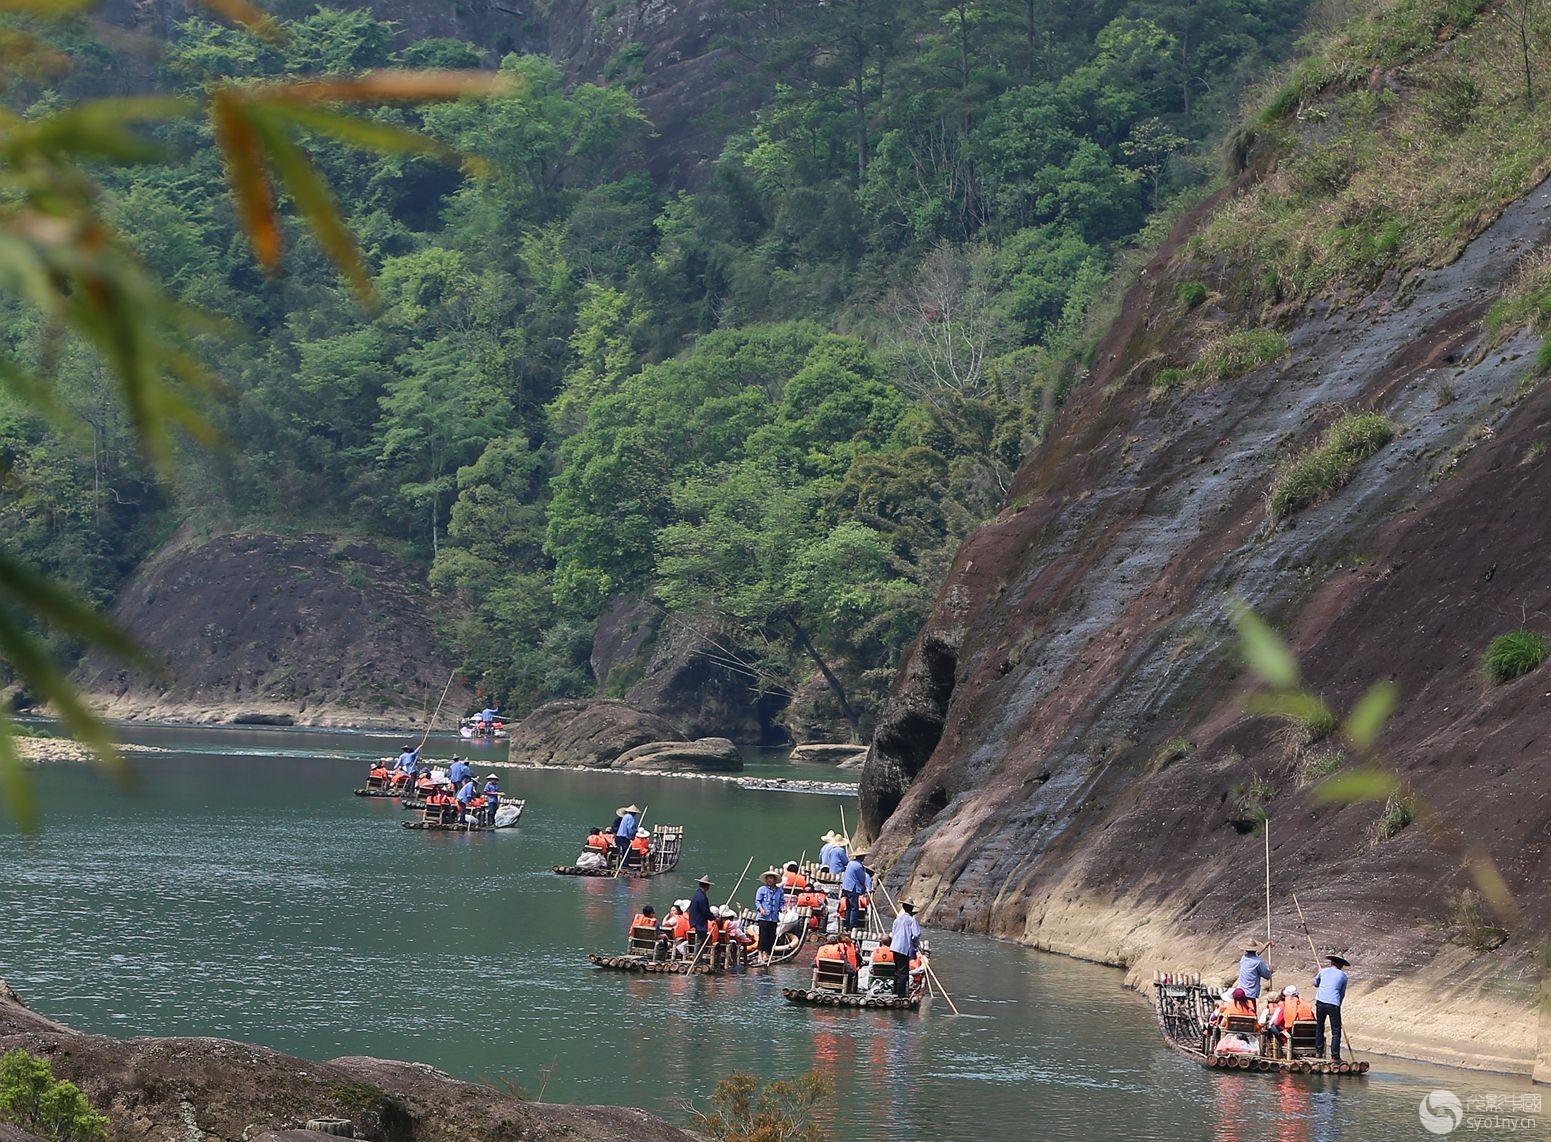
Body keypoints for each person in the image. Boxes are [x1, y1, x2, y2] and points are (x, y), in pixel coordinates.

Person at [1313, 954, 1349, 1061]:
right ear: (1341, 966)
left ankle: (1318, 1052)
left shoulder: (1323, 971)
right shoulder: (1343, 976)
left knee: (1319, 1027)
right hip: (1333, 1004)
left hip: (1320, 1002)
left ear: (1332, 963)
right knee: (1336, 1031)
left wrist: (1320, 975)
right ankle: (1335, 1056)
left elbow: (1315, 983)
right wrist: (1338, 1005)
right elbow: (1342, 994)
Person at [888, 899, 922, 998]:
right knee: (903, 971)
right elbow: (916, 934)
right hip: (904, 948)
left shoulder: (897, 920)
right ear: (911, 909)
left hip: (895, 947)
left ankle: (895, 991)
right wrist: (915, 943)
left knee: (897, 970)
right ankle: (901, 995)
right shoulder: (912, 920)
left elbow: (893, 933)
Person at [753, 869, 785, 966]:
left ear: (775, 880)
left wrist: (782, 908)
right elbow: (757, 902)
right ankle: (760, 955)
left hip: (773, 917)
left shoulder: (779, 891)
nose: (770, 880)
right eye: (768, 878)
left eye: (771, 878)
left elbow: (781, 902)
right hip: (763, 917)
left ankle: (766, 954)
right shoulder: (761, 890)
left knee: (771, 936)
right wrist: (761, 909)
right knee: (763, 936)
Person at [841, 850, 872, 930]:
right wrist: (864, 887)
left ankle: (846, 924)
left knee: (848, 907)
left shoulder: (850, 863)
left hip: (846, 887)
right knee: (854, 908)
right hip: (852, 888)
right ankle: (852, 926)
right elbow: (862, 878)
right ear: (861, 857)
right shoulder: (858, 866)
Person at [1237, 936, 1274, 1002]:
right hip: (1250, 994)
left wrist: (1265, 947)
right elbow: (1267, 975)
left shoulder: (1244, 958)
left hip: (1241, 992)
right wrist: (1270, 969)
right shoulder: (1258, 962)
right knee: (1250, 1011)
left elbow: (1255, 955)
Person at [688, 874, 713, 955]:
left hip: (695, 922)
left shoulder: (696, 895)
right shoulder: (702, 897)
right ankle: (697, 960)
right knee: (700, 942)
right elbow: (705, 911)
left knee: (700, 942)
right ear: (707, 886)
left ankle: (698, 959)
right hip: (700, 923)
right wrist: (713, 918)